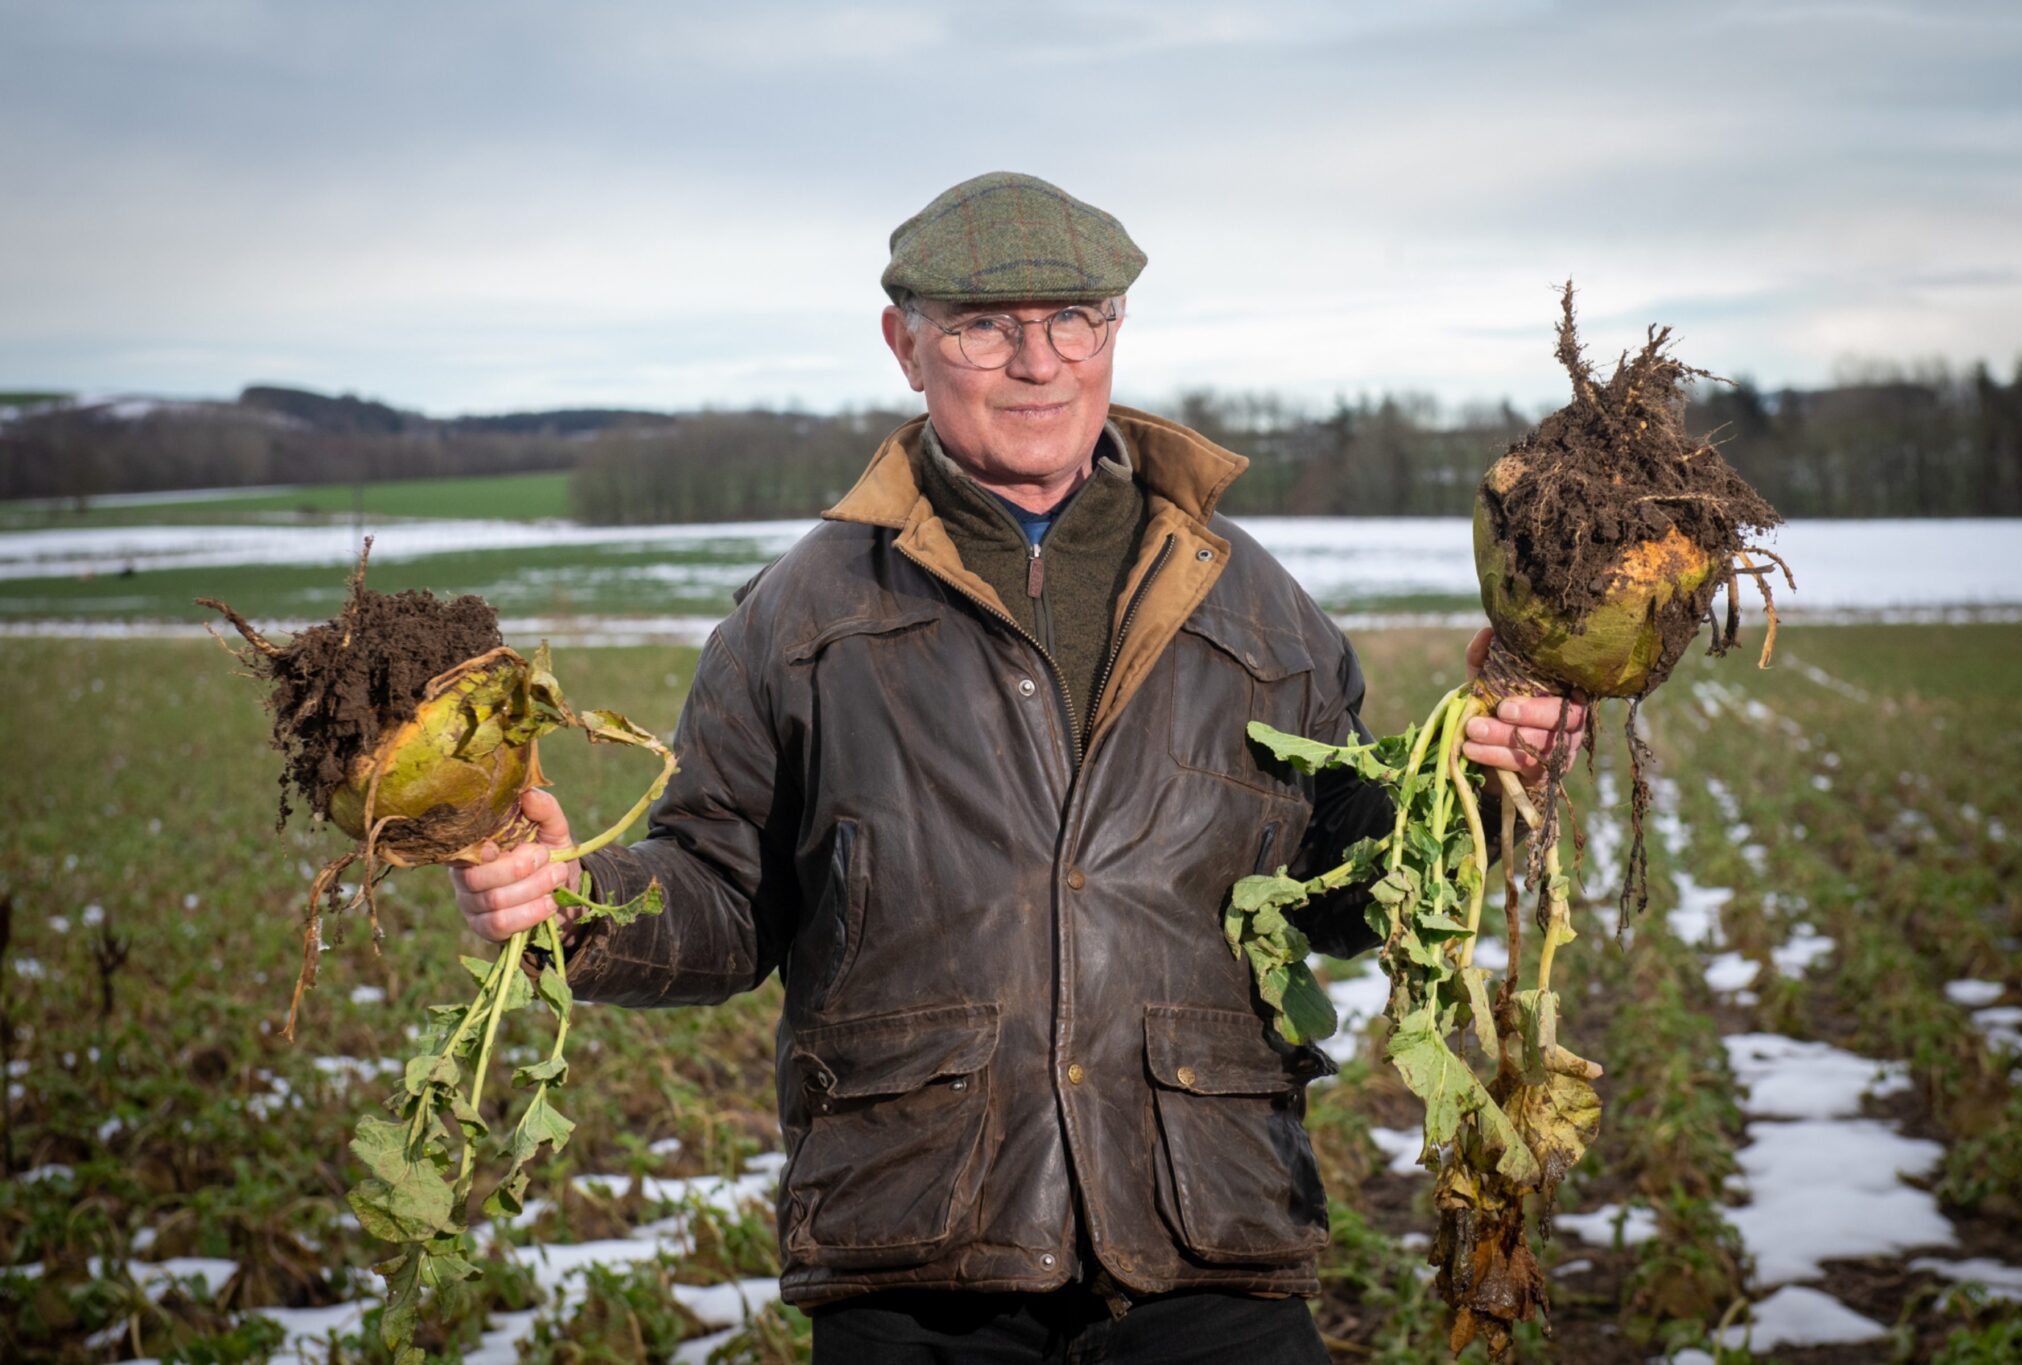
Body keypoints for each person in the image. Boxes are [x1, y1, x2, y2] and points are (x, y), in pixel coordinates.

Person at [452, 172, 1584, 1364]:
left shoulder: (1252, 601)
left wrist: (1481, 783)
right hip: (921, 1252)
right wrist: (566, 903)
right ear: (906, 346)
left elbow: (1350, 887)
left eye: (1072, 321)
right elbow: (725, 895)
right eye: (985, 326)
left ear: (1113, 335)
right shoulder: (802, 617)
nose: (1037, 363)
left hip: (1211, 1245)